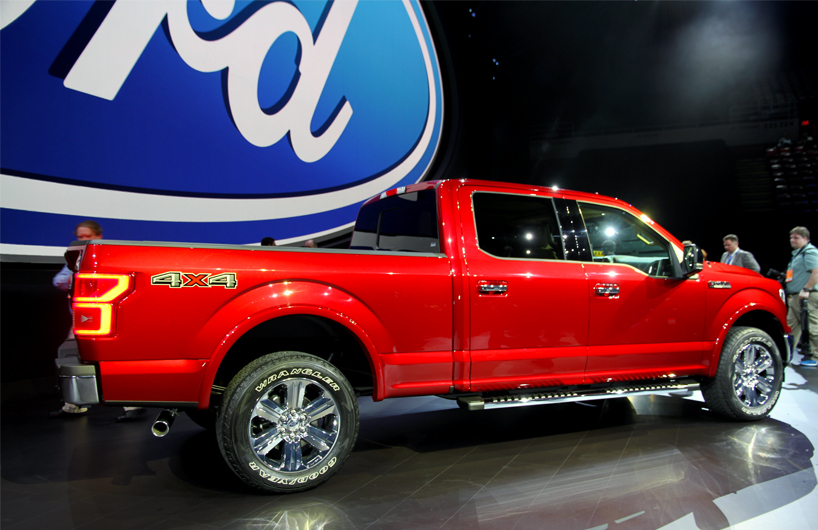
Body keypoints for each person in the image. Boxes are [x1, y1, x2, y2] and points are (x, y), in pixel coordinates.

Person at [50, 221, 146, 420]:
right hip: (80, 323)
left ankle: (133, 406)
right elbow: (58, 280)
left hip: (109, 322)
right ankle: (74, 405)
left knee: (115, 363)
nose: (83, 240)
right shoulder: (75, 261)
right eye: (80, 236)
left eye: (87, 236)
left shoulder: (109, 258)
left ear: (98, 236)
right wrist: (73, 279)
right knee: (71, 358)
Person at [786, 227, 818, 367]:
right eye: (791, 237)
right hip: (795, 297)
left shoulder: (809, 252)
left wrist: (806, 289)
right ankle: (786, 356)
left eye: (796, 237)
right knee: (790, 328)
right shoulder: (797, 254)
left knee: (812, 327)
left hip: (807, 296)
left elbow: (816, 272)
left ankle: (816, 357)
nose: (793, 240)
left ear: (805, 239)